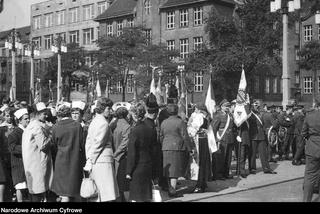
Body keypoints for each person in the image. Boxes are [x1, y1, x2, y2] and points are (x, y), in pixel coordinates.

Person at [84, 97, 119, 202]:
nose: (110, 111)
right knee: (106, 194)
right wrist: (91, 159)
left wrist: (89, 158)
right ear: (105, 108)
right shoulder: (103, 123)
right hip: (102, 161)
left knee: (99, 194)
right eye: (109, 108)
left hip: (96, 161)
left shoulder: (94, 121)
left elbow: (89, 143)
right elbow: (98, 144)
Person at [51, 104, 85, 202]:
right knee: (74, 189)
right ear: (69, 113)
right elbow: (82, 144)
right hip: (75, 160)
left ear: (59, 115)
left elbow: (54, 145)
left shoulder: (56, 126)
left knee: (64, 192)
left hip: (61, 160)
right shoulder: (77, 126)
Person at [160, 103, 194, 197]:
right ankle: (172, 190)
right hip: (177, 147)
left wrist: (163, 144)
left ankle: (170, 188)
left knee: (168, 170)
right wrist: (190, 148)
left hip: (166, 147)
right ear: (176, 111)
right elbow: (185, 136)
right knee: (174, 171)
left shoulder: (164, 122)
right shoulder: (180, 122)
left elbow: (161, 136)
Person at [22, 102, 53, 202]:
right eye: (44, 113)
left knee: (34, 193)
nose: (46, 115)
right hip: (37, 165)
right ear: (37, 114)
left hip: (31, 164)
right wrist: (51, 134)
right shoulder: (36, 127)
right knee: (38, 194)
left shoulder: (30, 126)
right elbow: (43, 145)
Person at [125, 102, 157, 202]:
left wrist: (128, 171)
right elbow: (153, 149)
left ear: (134, 115)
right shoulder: (150, 129)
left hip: (137, 167)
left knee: (136, 197)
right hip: (147, 164)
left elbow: (132, 153)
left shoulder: (134, 131)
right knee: (145, 196)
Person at [188, 104, 212, 193]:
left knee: (200, 162)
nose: (194, 110)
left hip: (199, 141)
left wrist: (189, 124)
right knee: (204, 162)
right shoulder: (206, 117)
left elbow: (192, 130)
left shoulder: (198, 116)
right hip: (204, 141)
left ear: (198, 109)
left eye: (195, 108)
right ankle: (203, 183)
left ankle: (199, 184)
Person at [248, 100, 276, 174]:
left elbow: (264, 123)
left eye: (258, 106)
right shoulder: (249, 114)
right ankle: (252, 168)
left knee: (264, 153)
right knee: (253, 153)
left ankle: (266, 168)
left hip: (261, 135)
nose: (257, 107)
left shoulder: (261, 114)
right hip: (253, 135)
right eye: (255, 105)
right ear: (252, 106)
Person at [8, 108, 30, 202]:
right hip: (19, 164)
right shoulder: (14, 133)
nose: (28, 120)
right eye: (25, 119)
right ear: (19, 121)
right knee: (20, 187)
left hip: (28, 163)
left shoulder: (29, 130)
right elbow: (12, 148)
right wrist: (26, 148)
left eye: (28, 118)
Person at [212, 99, 236, 180]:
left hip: (230, 138)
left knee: (228, 158)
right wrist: (215, 140)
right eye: (226, 106)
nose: (227, 108)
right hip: (221, 138)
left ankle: (226, 173)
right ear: (221, 106)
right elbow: (214, 128)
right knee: (221, 158)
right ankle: (219, 174)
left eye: (228, 106)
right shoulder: (218, 115)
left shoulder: (230, 115)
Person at [301, 100, 320, 202]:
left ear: (316, 105)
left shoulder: (309, 116)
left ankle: (306, 200)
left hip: (312, 148)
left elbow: (303, 133)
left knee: (310, 177)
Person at [112, 106, 131, 202]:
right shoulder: (127, 126)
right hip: (121, 156)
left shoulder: (113, 124)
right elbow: (125, 142)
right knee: (122, 183)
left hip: (113, 155)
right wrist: (116, 153)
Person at [0, 107, 16, 201]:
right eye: (7, 116)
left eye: (10, 116)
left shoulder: (15, 127)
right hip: (5, 155)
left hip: (12, 155)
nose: (9, 117)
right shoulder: (2, 128)